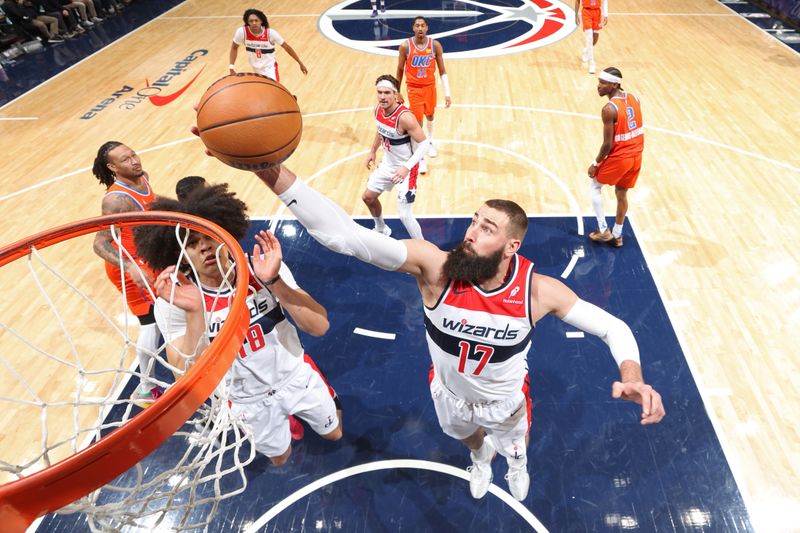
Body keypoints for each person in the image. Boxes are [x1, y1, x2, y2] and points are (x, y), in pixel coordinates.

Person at [201, 159, 666, 502]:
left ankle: (516, 463)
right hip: (447, 391)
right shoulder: (435, 268)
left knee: (515, 440)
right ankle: (481, 460)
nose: (471, 231)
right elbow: (345, 236)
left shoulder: (538, 291)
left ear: (511, 245)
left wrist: (633, 374)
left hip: (505, 396)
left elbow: (613, 326)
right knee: (467, 437)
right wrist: (267, 168)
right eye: (473, 221)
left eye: (487, 228)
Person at [133, 183, 343, 465]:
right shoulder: (175, 300)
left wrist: (274, 282)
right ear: (179, 254)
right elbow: (185, 375)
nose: (204, 246)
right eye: (192, 244)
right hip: (244, 399)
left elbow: (319, 327)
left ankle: (320, 402)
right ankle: (285, 424)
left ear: (224, 232)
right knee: (280, 457)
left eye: (207, 236)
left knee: (335, 434)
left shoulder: (260, 269)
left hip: (294, 377)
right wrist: (195, 313)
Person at [91, 141, 163, 405]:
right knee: (150, 322)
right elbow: (100, 243)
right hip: (128, 266)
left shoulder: (143, 178)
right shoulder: (115, 200)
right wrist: (131, 266)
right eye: (125, 159)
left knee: (166, 311)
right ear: (112, 167)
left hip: (147, 258)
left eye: (133, 154)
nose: (134, 160)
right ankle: (145, 387)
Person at [363, 74, 429, 240]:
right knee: (368, 197)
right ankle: (381, 228)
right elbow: (380, 131)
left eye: (387, 93)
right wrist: (372, 151)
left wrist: (407, 167)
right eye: (380, 92)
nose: (382, 97)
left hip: (407, 167)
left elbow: (424, 144)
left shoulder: (405, 118)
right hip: (387, 165)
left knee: (405, 215)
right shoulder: (377, 109)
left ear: (395, 95)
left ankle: (424, 248)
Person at [587, 67, 643, 248]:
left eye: (603, 83)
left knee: (595, 185)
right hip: (637, 155)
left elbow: (607, 145)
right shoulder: (635, 98)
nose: (599, 86)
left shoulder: (609, 109)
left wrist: (595, 163)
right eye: (599, 82)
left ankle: (604, 230)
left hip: (621, 156)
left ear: (614, 84)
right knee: (621, 193)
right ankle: (618, 235)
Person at [395, 16, 451, 174]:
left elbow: (442, 70)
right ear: (413, 28)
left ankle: (430, 141)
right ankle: (420, 158)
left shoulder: (435, 45)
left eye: (423, 25)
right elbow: (399, 70)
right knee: (417, 123)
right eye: (417, 25)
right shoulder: (405, 46)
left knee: (430, 115)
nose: (420, 28)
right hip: (414, 88)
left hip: (430, 87)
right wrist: (397, 91)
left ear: (427, 28)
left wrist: (447, 93)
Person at [228, 8, 307, 82]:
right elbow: (234, 47)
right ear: (247, 22)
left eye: (256, 20)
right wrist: (231, 67)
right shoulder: (242, 32)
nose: (254, 23)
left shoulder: (271, 33)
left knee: (274, 92)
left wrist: (300, 62)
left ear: (261, 21)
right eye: (251, 21)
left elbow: (287, 48)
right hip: (255, 69)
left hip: (270, 69)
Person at [574, 0, 607, 74]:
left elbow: (605, 1)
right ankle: (592, 64)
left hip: (597, 12)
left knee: (595, 38)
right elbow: (577, 1)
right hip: (586, 12)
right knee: (589, 38)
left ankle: (586, 51)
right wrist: (576, 15)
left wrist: (606, 15)